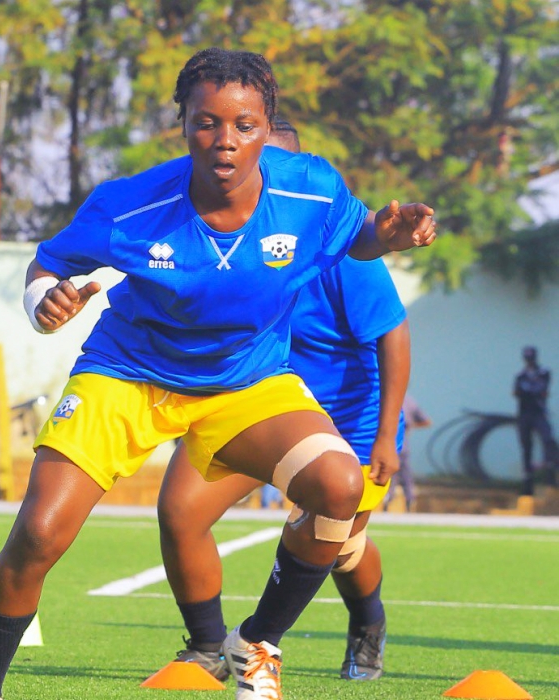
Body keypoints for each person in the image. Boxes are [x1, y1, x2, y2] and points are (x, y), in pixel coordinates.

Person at [0, 48, 435, 700]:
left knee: (339, 486)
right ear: (183, 124)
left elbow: (357, 237)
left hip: (245, 382)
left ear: (267, 126)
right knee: (38, 531)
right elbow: (46, 266)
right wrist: (46, 303)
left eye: (245, 125)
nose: (225, 142)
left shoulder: (309, 187)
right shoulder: (129, 204)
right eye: (207, 123)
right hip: (128, 375)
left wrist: (387, 235)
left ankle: (255, 644)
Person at [156, 119, 410, 685]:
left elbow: (393, 333)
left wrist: (387, 433)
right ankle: (205, 646)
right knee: (180, 512)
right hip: (260, 406)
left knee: (334, 539)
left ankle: (362, 625)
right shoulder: (221, 240)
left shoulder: (340, 246)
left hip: (349, 423)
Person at [514, 346, 557, 495]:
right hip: (525, 414)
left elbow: (542, 390)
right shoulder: (520, 374)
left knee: (548, 440)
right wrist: (530, 390)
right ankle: (527, 484)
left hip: (539, 413)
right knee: (527, 447)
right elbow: (517, 392)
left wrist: (530, 390)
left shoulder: (544, 372)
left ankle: (550, 473)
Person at [386, 394, 431, 511]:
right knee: (405, 474)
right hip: (401, 444)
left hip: (389, 443)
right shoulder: (410, 401)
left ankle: (389, 499)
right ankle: (408, 499)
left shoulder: (385, 397)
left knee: (391, 474)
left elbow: (426, 421)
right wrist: (409, 426)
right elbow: (425, 421)